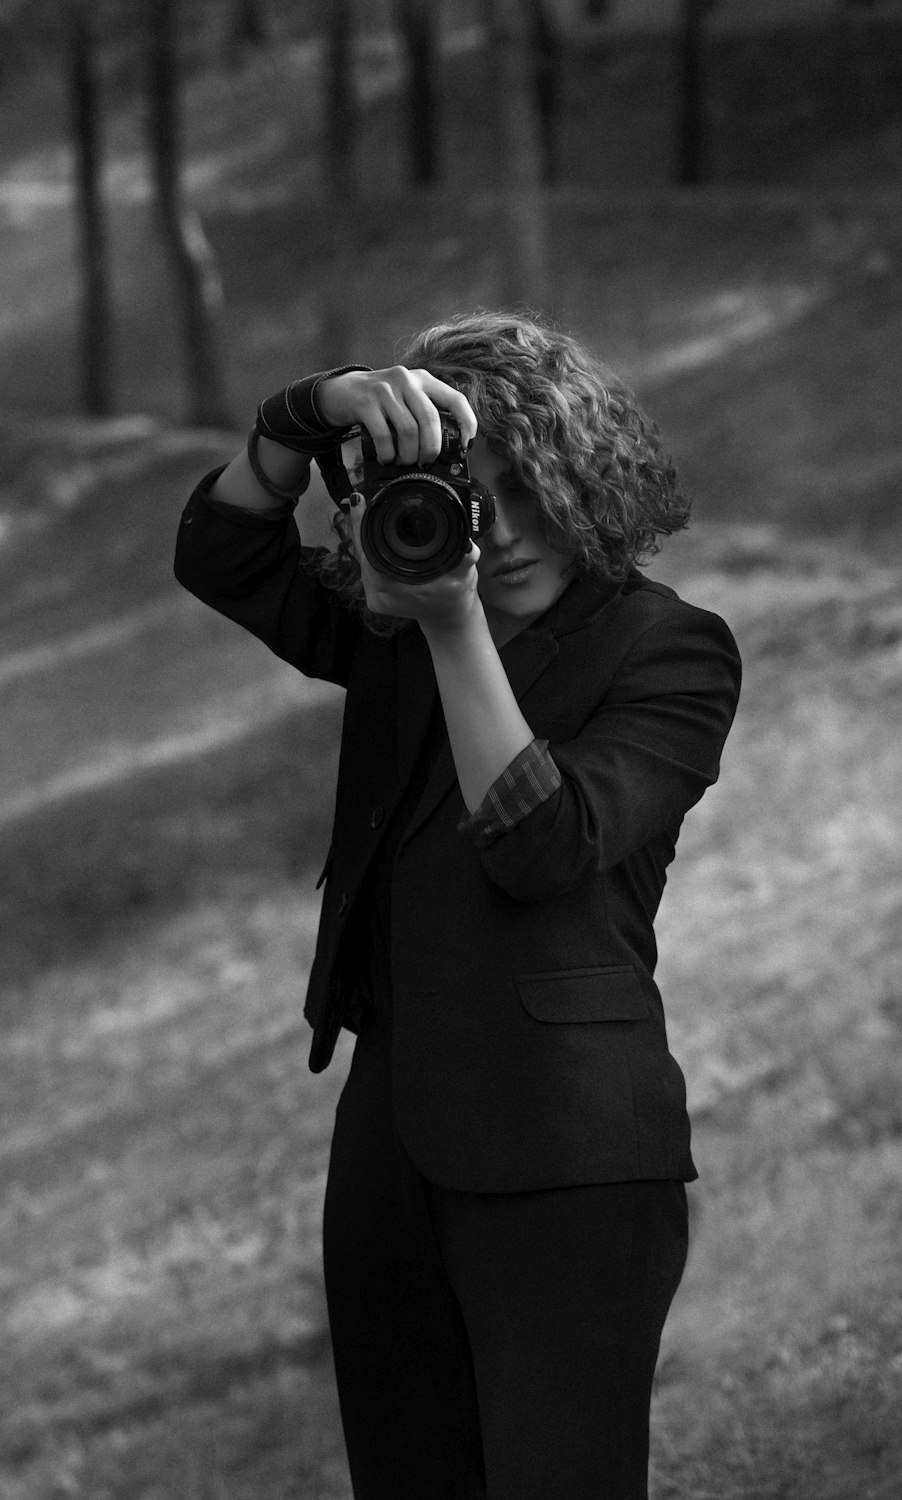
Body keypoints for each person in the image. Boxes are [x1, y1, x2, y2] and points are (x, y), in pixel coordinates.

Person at [174, 310, 741, 1500]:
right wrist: (303, 413)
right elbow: (224, 553)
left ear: (588, 478)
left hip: (570, 1153)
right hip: (394, 1137)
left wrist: (452, 622)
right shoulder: (403, 610)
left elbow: (542, 841)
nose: (509, 533)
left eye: (534, 492)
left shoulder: (669, 650)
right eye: (474, 500)